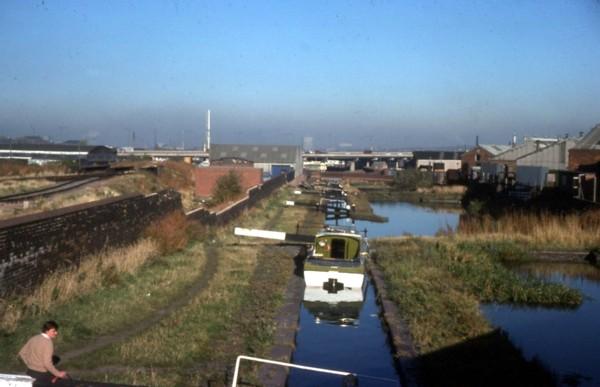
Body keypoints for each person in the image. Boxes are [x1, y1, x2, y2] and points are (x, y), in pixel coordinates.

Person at [18, 320, 69, 386]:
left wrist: (29, 363)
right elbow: (47, 363)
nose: (56, 333)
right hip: (41, 375)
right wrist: (59, 374)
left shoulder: (34, 338)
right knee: (65, 381)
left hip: (30, 372)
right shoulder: (48, 342)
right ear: (47, 331)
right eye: (54, 331)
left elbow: (22, 353)